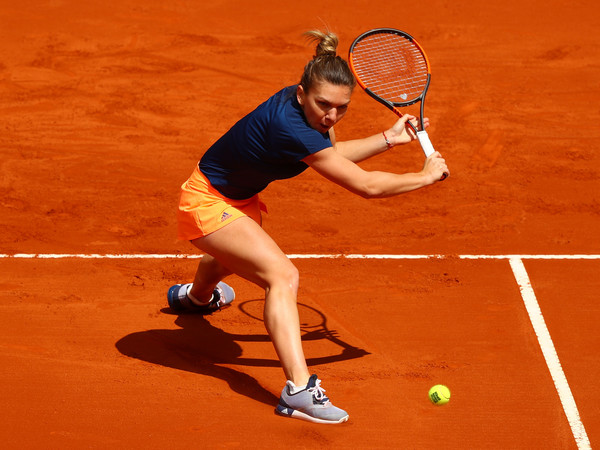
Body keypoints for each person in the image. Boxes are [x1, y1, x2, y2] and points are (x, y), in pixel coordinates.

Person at [167, 30, 449, 424]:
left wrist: (388, 139)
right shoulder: (290, 126)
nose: (331, 117)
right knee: (282, 276)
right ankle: (298, 390)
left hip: (237, 197)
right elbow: (364, 185)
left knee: (234, 256)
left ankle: (195, 298)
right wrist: (423, 177)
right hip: (206, 201)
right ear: (301, 94)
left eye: (341, 108)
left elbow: (328, 154)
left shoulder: (303, 112)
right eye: (323, 105)